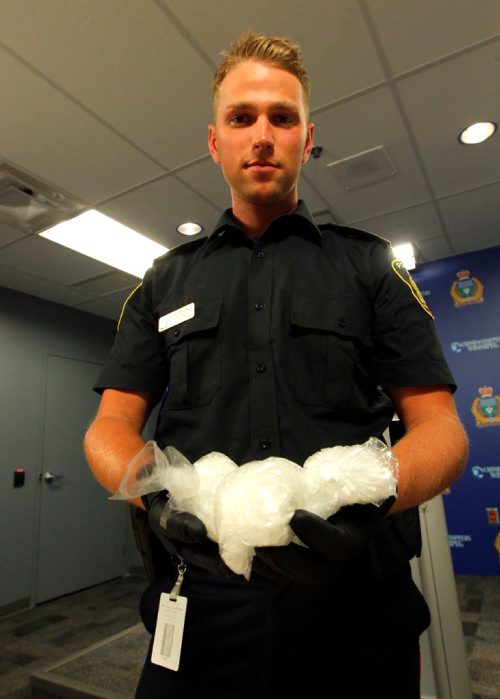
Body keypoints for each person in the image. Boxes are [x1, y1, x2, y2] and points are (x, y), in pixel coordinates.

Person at [84, 31, 468, 699]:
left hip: (355, 603)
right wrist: (151, 493)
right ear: (215, 141)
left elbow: (441, 427)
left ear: (306, 137)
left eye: (281, 117)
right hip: (201, 601)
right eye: (242, 118)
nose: (262, 134)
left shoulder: (370, 266)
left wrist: (376, 499)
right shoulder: (162, 282)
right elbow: (110, 423)